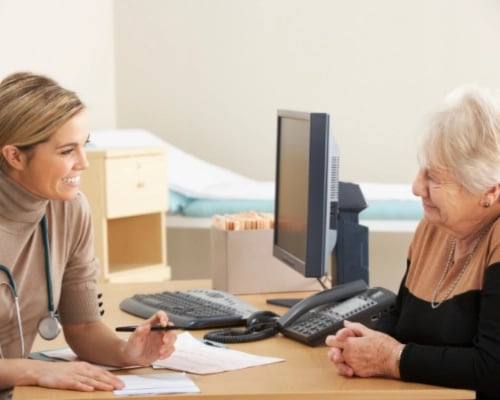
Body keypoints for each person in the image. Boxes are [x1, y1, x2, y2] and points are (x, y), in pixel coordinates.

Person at [0, 72, 176, 398]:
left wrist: (128, 353)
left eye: (85, 146)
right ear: (15, 156)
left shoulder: (69, 210)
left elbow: (82, 327)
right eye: (67, 151)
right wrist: (37, 370)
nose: (84, 163)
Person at [326, 84, 500, 400]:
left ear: (489, 190)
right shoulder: (434, 227)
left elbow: (492, 367)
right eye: (421, 169)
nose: (416, 187)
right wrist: (362, 343)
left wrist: (392, 359)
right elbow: (402, 318)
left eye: (433, 177)